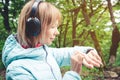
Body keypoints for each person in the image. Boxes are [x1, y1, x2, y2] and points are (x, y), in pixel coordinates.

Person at [2, 0, 102, 80]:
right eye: (53, 27)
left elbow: (66, 53)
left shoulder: (43, 52)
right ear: (34, 27)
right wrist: (73, 74)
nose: (57, 32)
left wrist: (87, 51)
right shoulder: (17, 71)